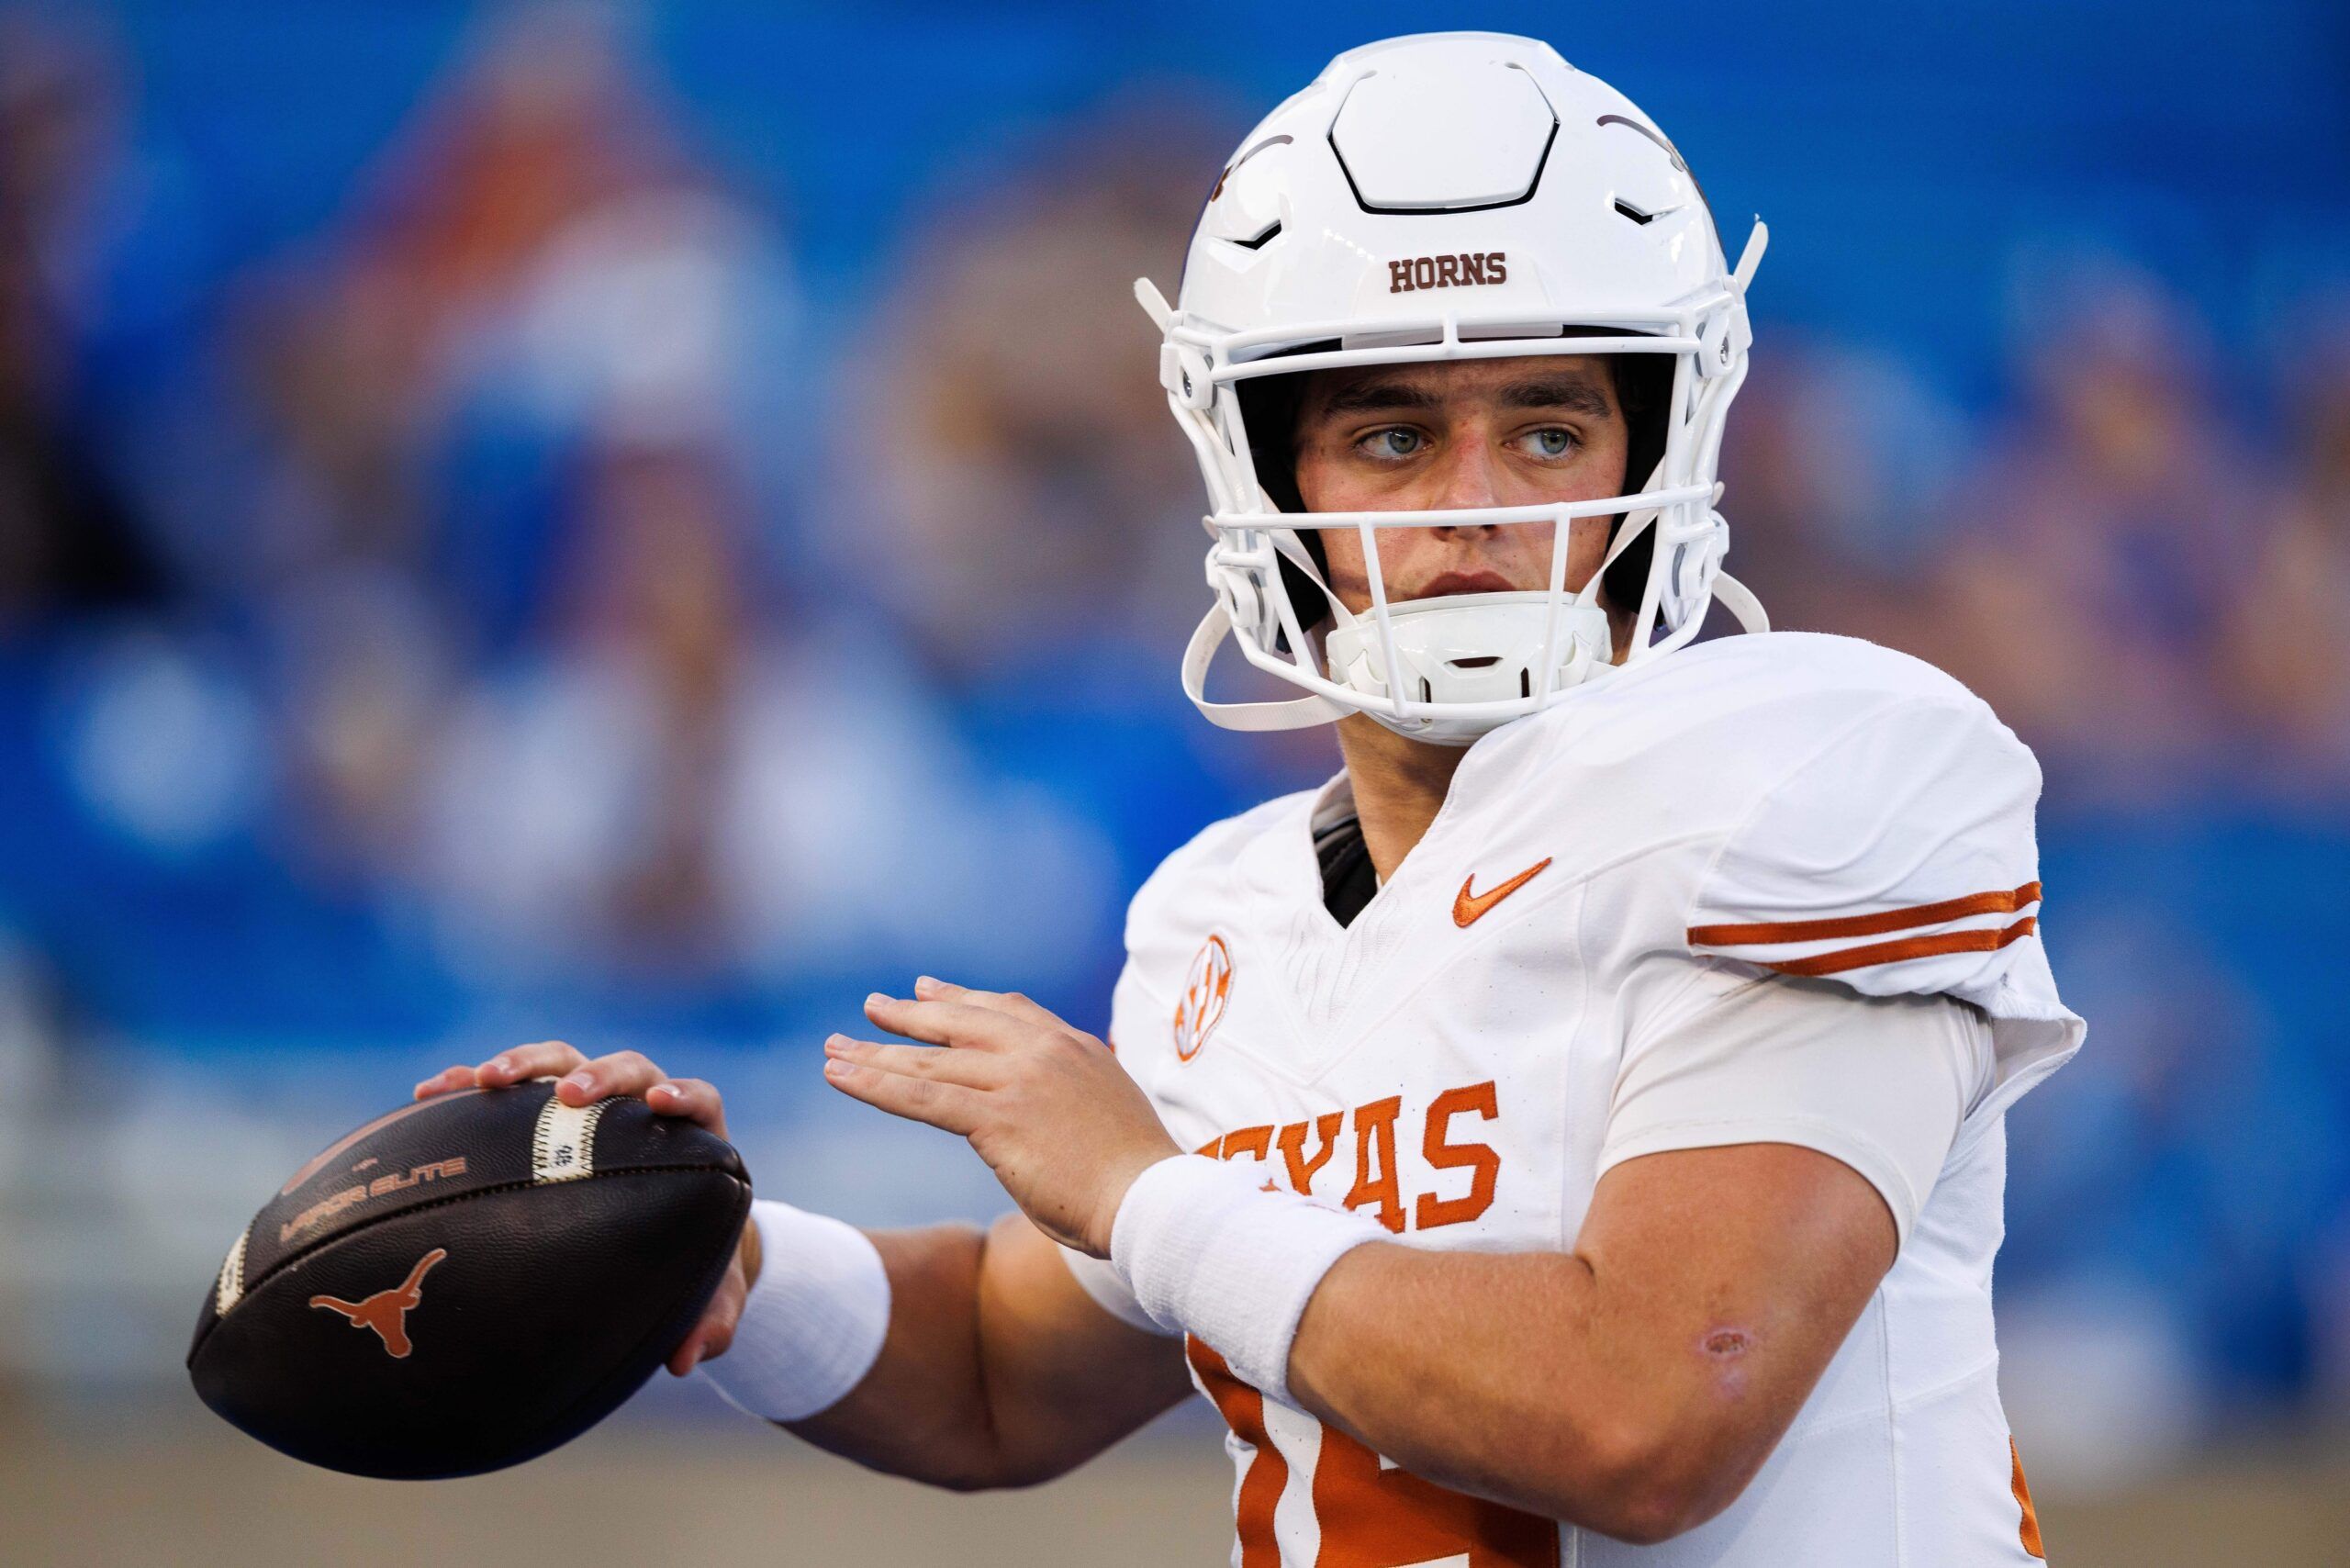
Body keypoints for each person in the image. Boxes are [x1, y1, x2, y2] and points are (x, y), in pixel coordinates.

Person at [419, 34, 2083, 1562]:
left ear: (1659, 459)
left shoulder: (1819, 775)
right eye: (1388, 438)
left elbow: (1650, 1416)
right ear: (1258, 472)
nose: (1474, 511)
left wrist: (1150, 1192)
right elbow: (1005, 1369)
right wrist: (716, 1260)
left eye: (1553, 430)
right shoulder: (1235, 920)